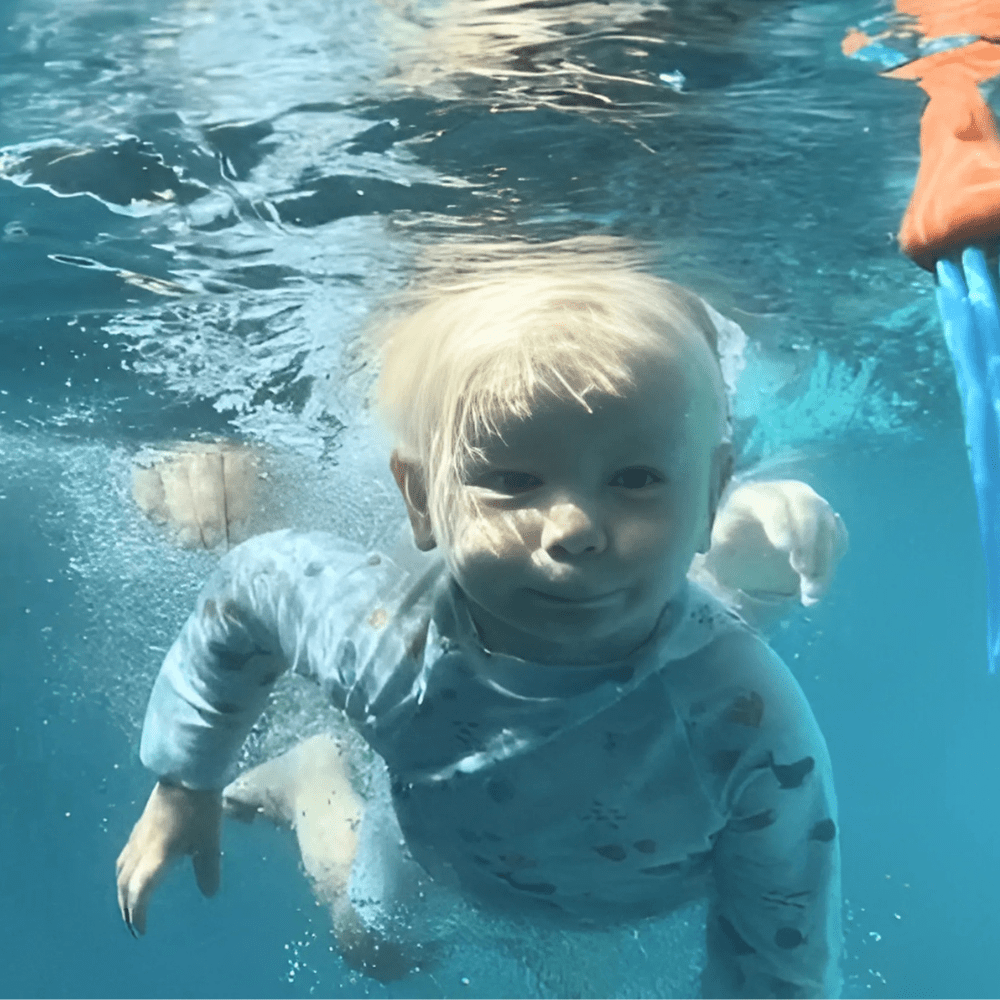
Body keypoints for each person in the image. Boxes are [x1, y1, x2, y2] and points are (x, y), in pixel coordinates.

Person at [116, 253, 847, 998]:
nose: (574, 529)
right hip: (429, 849)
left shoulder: (741, 714)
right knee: (372, 949)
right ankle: (312, 779)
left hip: (616, 896)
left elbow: (781, 944)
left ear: (711, 495)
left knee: (579, 980)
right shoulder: (390, 641)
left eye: (636, 479)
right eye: (514, 481)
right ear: (422, 498)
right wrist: (185, 781)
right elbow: (253, 586)